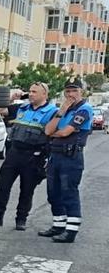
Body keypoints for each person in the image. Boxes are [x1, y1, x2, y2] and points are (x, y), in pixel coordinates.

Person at [0, 83, 57, 231]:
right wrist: (11, 98)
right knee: (3, 185)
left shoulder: (52, 112)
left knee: (27, 189)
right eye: (29, 91)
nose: (30, 94)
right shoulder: (22, 108)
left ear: (44, 94)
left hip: (34, 155)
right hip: (15, 152)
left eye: (34, 92)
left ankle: (21, 219)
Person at [39, 80, 93, 242]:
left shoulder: (84, 109)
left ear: (81, 92)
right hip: (55, 155)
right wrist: (62, 111)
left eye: (74, 91)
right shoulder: (63, 110)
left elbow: (64, 132)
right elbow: (49, 130)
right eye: (68, 91)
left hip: (71, 157)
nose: (70, 95)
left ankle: (71, 230)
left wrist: (56, 133)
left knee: (69, 192)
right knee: (53, 192)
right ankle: (58, 225)